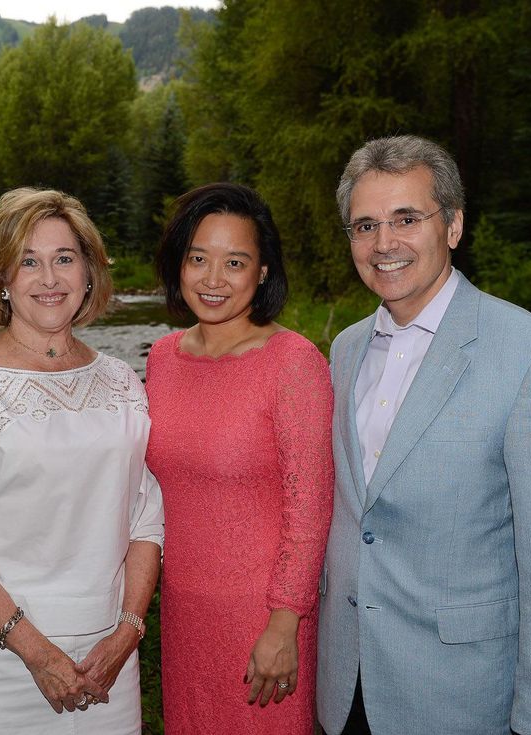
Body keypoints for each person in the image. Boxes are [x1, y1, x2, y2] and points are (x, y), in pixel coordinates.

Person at [316, 135, 531, 735]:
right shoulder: (343, 351)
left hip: (464, 701)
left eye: (406, 219)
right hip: (348, 689)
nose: (383, 243)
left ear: (453, 225)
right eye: (364, 226)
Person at [0, 187, 164, 734]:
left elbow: (146, 517)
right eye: (28, 262)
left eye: (64, 258)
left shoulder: (122, 381)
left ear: (88, 272)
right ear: (1, 279)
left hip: (110, 658)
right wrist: (39, 654)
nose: (49, 278)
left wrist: (129, 631)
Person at [145, 183, 334, 734]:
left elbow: (311, 507)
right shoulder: (162, 358)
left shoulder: (293, 362)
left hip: (263, 616)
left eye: (234, 262)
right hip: (184, 612)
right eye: (198, 258)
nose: (212, 278)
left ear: (264, 271)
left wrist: (284, 625)